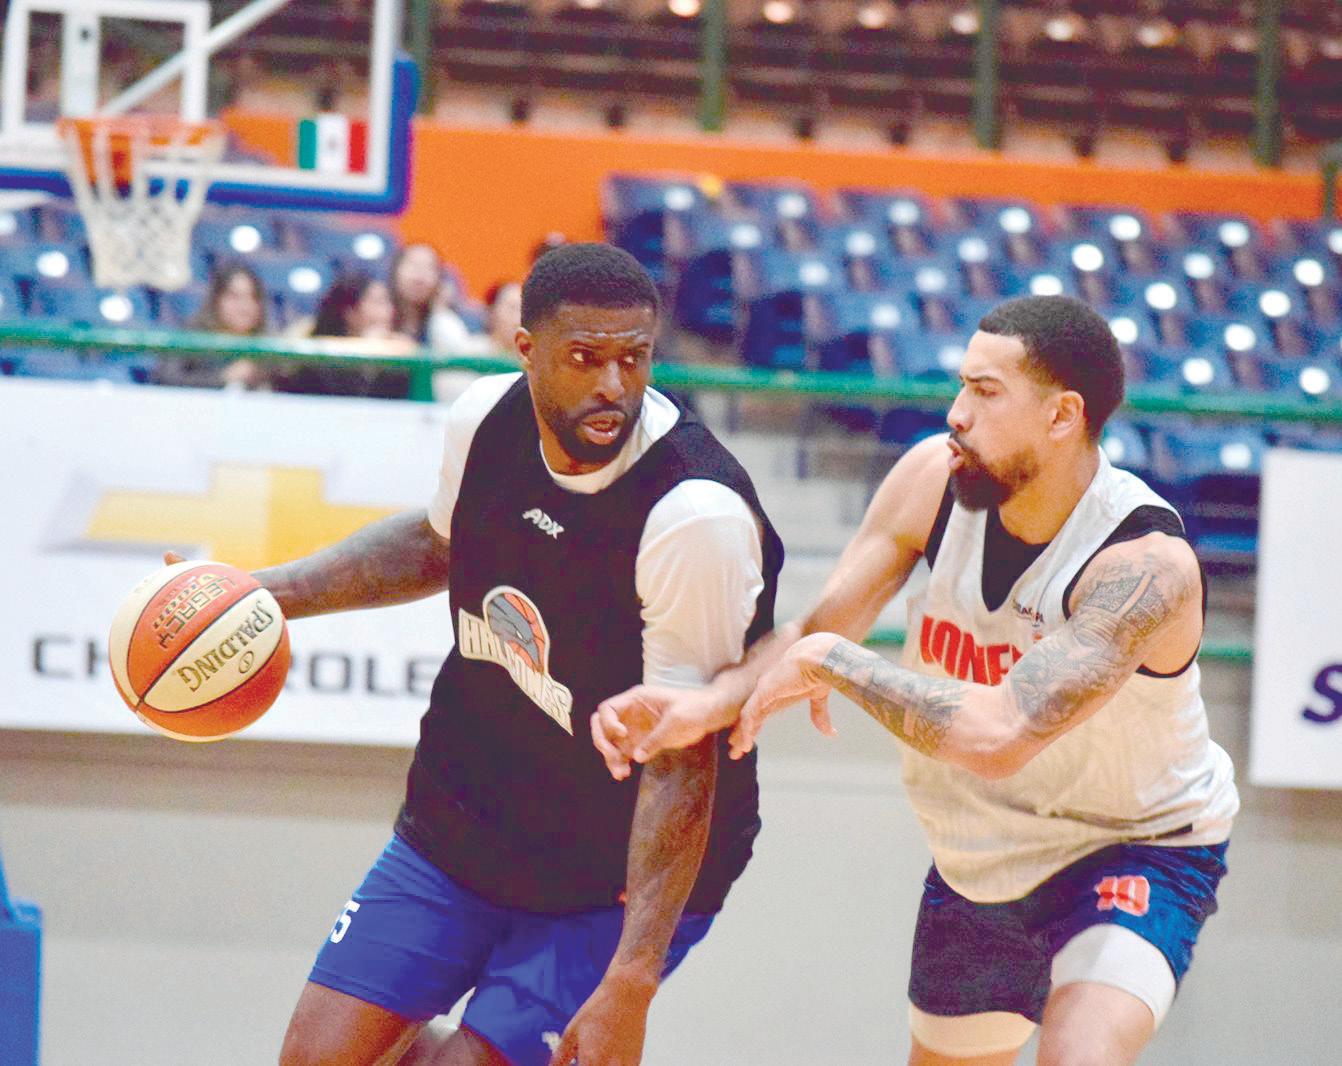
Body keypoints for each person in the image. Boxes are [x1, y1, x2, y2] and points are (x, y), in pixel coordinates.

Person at [593, 294, 1239, 1066]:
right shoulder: (933, 478)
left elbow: (999, 736)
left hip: (1132, 844)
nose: (957, 413)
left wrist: (837, 663)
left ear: (1063, 416)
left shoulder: (1144, 568)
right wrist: (706, 704)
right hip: (979, 853)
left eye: (986, 392)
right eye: (962, 386)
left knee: (1079, 1054)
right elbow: (814, 633)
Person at [241, 243, 781, 1066]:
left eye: (634, 358)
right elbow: (435, 543)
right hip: (470, 817)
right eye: (585, 358)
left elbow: (681, 754)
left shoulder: (693, 514)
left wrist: (632, 979)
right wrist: (266, 594)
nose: (615, 385)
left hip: (609, 876)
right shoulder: (484, 419)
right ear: (526, 351)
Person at [154, 261, 271, 390]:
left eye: (253, 297)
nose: (245, 307)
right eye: (234, 297)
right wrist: (222, 378)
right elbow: (166, 378)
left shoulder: (268, 347)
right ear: (216, 300)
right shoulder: (192, 337)